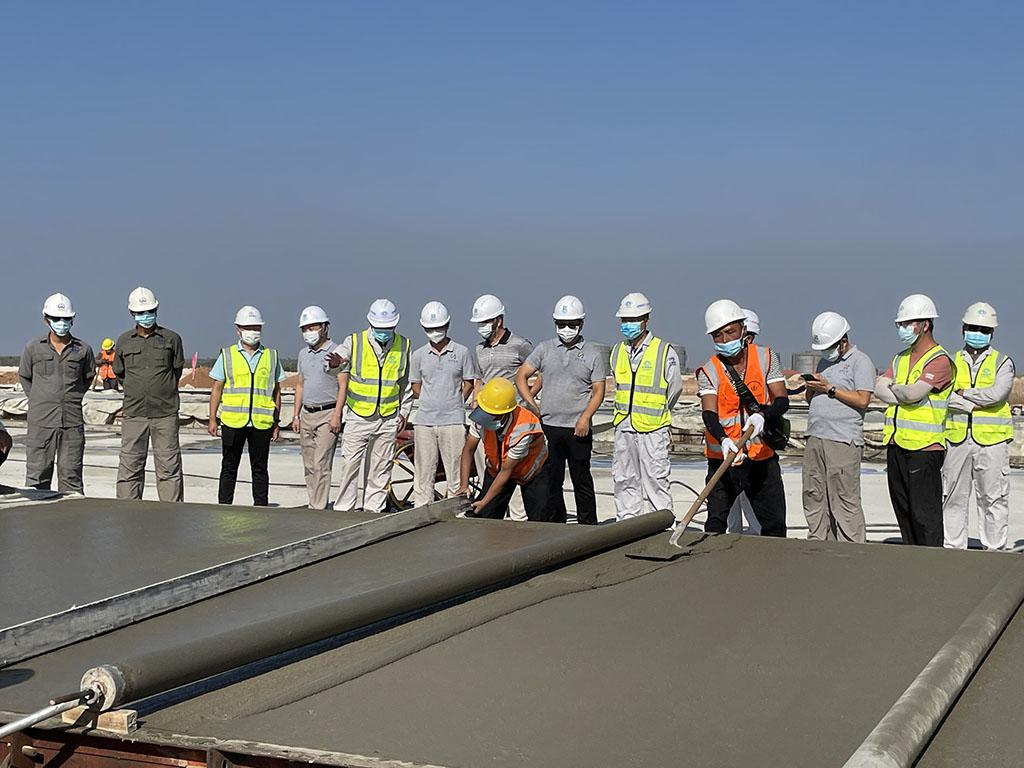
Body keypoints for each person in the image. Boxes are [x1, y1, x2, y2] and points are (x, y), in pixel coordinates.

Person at [697, 299, 789, 537]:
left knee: (774, 524)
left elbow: (781, 399)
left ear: (743, 330)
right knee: (715, 523)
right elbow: (709, 413)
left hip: (761, 457)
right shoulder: (709, 370)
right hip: (723, 457)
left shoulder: (767, 357)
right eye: (718, 336)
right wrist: (723, 438)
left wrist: (763, 416)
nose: (725, 340)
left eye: (730, 332)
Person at [516, 295, 607, 524]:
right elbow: (521, 375)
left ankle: (588, 526)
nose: (566, 329)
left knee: (581, 480)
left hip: (578, 428)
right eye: (562, 324)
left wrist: (585, 418)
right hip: (550, 427)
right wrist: (533, 404)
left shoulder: (593, 353)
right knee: (552, 481)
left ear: (581, 324)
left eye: (572, 324)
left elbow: (598, 391)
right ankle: (556, 524)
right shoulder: (544, 349)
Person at [874, 294, 953, 547]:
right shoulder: (900, 358)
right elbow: (880, 389)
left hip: (924, 448)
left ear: (925, 325)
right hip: (897, 445)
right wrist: (903, 391)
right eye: (900, 324)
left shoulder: (940, 360)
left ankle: (932, 569)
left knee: (925, 517)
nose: (902, 329)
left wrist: (897, 389)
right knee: (905, 514)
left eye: (908, 324)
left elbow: (913, 394)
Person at [328, 299, 412, 513]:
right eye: (380, 328)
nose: (384, 332)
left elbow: (405, 382)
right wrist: (334, 363)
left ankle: (373, 511)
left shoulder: (403, 345)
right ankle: (344, 511)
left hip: (387, 417)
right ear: (370, 324)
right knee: (350, 467)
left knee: (380, 469)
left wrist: (403, 412)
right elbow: (337, 360)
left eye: (388, 328)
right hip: (358, 417)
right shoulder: (354, 342)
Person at [942, 302, 1014, 550]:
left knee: (993, 499)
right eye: (973, 327)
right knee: (953, 497)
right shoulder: (950, 361)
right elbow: (945, 396)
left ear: (992, 332)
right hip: (957, 439)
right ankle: (953, 548)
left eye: (984, 329)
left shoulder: (1002, 362)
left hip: (992, 442)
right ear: (963, 328)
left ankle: (994, 551)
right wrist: (972, 404)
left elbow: (997, 395)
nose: (978, 333)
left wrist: (963, 393)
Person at [801, 312, 875, 543]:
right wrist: (812, 387)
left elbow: (863, 400)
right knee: (814, 493)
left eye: (831, 346)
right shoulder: (825, 362)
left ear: (843, 341)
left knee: (844, 498)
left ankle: (852, 549)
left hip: (842, 440)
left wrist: (830, 389)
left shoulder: (860, 361)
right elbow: (810, 399)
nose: (826, 351)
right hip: (816, 436)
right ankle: (819, 542)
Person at [610, 292, 681, 520]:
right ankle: (627, 525)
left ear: (646, 319)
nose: (628, 324)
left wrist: (655, 411)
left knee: (655, 480)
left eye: (633, 319)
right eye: (625, 320)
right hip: (624, 426)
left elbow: (675, 389)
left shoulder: (664, 351)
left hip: (653, 429)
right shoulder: (617, 351)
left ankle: (660, 526)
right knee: (624, 479)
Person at [113, 287, 186, 502]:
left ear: (156, 309)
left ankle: (171, 515)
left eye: (150, 311)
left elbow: (176, 370)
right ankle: (128, 513)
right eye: (141, 312)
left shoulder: (172, 339)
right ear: (132, 314)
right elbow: (120, 372)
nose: (146, 316)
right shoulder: (124, 341)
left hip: (165, 413)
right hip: (134, 414)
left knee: (169, 468)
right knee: (130, 467)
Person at [18, 293, 95, 493]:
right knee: (38, 475)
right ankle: (38, 522)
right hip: (41, 423)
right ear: (46, 319)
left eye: (66, 319)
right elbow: (25, 377)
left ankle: (72, 521)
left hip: (71, 423)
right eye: (57, 319)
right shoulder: (33, 348)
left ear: (72, 319)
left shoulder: (83, 350)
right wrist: (39, 399)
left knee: (71, 475)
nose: (62, 323)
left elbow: (87, 378)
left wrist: (72, 398)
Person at [208, 305, 284, 506]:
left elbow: (277, 391)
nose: (253, 331)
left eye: (256, 327)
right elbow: (217, 388)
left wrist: (276, 422)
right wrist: (212, 418)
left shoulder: (272, 356)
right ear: (238, 329)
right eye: (248, 327)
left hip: (261, 423)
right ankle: (224, 506)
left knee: (259, 468)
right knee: (229, 466)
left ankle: (261, 508)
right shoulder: (227, 355)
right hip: (233, 422)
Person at [471, 294, 535, 520]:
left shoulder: (520, 344)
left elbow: (538, 373)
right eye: (479, 323)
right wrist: (477, 401)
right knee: (491, 465)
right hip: (489, 416)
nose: (482, 327)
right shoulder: (479, 349)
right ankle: (490, 507)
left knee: (514, 467)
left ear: (499, 320)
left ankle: (518, 518)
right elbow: (479, 380)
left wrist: (527, 400)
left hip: (512, 417)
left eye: (485, 322)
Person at [409, 301, 479, 507]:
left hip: (453, 421)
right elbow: (415, 386)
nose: (435, 332)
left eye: (438, 328)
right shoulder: (418, 355)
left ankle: (455, 510)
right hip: (425, 421)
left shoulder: (462, 352)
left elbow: (469, 382)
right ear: (423, 328)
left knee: (455, 471)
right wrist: (431, 399)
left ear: (447, 325)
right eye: (430, 329)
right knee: (424, 472)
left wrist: (454, 400)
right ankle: (422, 510)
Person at [457, 378, 555, 521]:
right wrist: (464, 485)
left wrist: (485, 501)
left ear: (505, 413)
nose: (487, 416)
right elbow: (468, 450)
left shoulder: (523, 427)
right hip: (496, 468)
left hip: (532, 472)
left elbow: (506, 472)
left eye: (492, 414)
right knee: (485, 515)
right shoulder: (480, 416)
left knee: (540, 521)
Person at [292, 305, 341, 509]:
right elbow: (300, 384)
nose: (309, 333)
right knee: (309, 463)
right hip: (307, 413)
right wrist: (296, 415)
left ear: (324, 328)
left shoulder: (336, 352)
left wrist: (337, 415)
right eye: (305, 329)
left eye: (313, 328)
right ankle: (313, 501)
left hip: (327, 413)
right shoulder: (303, 354)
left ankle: (318, 507)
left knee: (321, 462)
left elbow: (343, 385)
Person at [725, 308, 764, 535]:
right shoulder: (720, 366)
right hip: (729, 449)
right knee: (731, 515)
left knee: (755, 512)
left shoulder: (761, 363)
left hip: (754, 452)